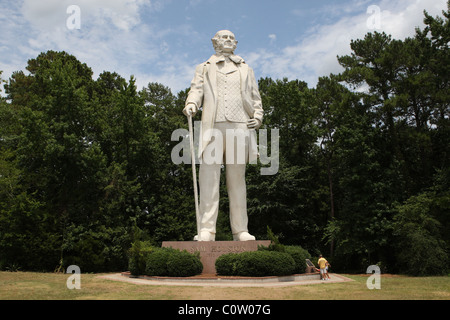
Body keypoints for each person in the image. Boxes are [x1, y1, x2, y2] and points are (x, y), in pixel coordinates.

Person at [183, 30, 264, 242]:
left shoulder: (246, 69)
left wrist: (258, 116)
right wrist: (192, 103)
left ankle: (240, 230)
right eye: (224, 37)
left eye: (231, 38)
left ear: (235, 43)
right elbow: (196, 89)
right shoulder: (204, 67)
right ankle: (207, 230)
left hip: (239, 126)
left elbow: (255, 97)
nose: (228, 40)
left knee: (237, 181)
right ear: (215, 42)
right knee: (209, 180)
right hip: (212, 127)